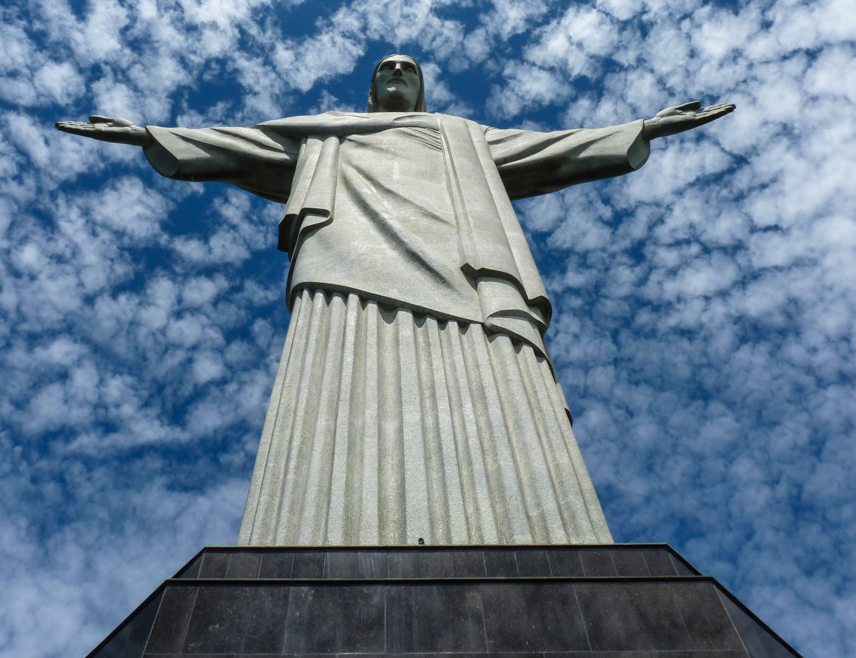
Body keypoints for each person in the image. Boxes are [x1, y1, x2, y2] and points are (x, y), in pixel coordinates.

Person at [58, 55, 734, 546]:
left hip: (471, 271)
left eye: (408, 66)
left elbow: (556, 149)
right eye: (385, 66)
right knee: (341, 381)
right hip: (346, 262)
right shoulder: (327, 131)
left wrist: (642, 129)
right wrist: (151, 134)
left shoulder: (463, 136)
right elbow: (238, 145)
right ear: (371, 85)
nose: (396, 71)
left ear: (422, 84)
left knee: (495, 383)